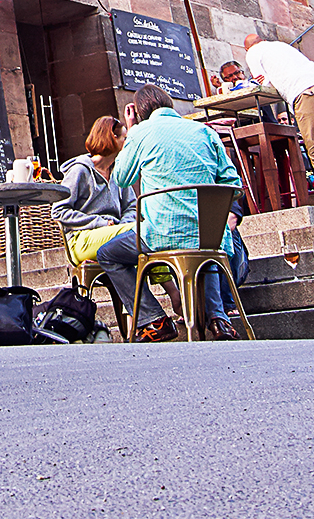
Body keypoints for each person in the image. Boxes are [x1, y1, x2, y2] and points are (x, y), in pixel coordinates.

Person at [94, 85, 246, 341]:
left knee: (107, 255)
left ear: (139, 112)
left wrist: (131, 132)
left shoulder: (141, 132)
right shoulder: (204, 131)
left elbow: (120, 177)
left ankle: (153, 319)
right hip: (209, 234)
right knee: (204, 247)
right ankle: (218, 319)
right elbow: (233, 183)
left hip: (163, 234)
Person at [244, 31, 314, 207]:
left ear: (248, 47)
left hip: (306, 92)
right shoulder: (281, 45)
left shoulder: (253, 52)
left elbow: (261, 83)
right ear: (263, 40)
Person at [53, 116, 137, 267]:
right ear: (112, 138)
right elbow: (59, 211)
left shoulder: (118, 172)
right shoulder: (79, 170)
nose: (127, 143)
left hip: (116, 233)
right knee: (143, 233)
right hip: (82, 239)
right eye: (125, 138)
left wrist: (123, 225)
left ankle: (172, 290)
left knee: (149, 235)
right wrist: (100, 223)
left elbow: (131, 206)